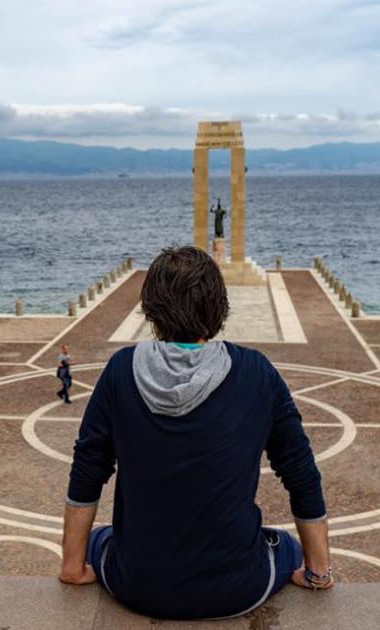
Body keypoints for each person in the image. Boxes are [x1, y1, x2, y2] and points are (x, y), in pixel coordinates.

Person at [59, 246, 332, 620]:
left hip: (136, 585)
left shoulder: (120, 370)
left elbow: (88, 468)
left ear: (151, 310)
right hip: (238, 588)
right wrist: (318, 571)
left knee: (99, 539)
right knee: (286, 545)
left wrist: (72, 567)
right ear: (219, 308)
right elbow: (300, 471)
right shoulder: (257, 372)